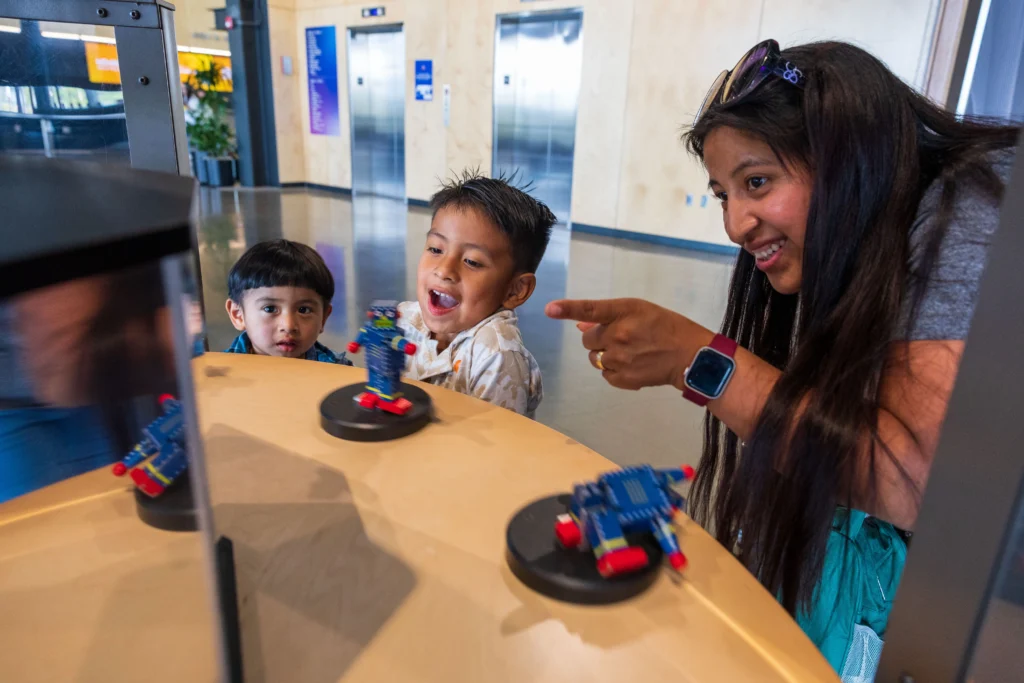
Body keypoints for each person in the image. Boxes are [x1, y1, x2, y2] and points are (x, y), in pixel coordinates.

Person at [546, 40, 1019, 679]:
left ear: (846, 156)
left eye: (757, 182)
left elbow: (910, 478)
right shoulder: (865, 239)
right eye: (722, 194)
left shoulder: (972, 205)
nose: (736, 224)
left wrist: (700, 359)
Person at [398, 172, 552, 418]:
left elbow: (494, 450)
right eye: (436, 249)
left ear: (515, 289)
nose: (444, 270)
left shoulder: (496, 355)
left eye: (472, 261)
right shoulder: (404, 319)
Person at [224, 239, 351, 365]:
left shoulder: (342, 373)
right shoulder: (217, 375)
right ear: (238, 315)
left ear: (323, 318)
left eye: (304, 310)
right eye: (270, 309)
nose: (289, 326)